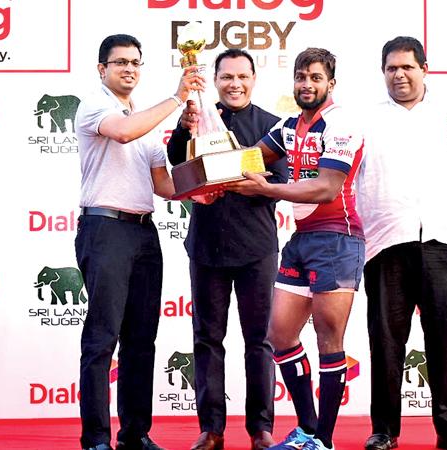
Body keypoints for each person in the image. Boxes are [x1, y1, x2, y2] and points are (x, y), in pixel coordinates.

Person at [226, 47, 365, 450]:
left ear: (330, 83)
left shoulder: (341, 123)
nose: (307, 85)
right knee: (281, 333)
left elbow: (325, 187)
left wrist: (268, 188)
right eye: (301, 77)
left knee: (328, 340)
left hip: (338, 237)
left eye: (316, 78)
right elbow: (249, 158)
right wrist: (206, 164)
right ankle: (307, 427)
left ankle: (324, 439)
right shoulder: (290, 126)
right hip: (302, 240)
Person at [358, 36, 447, 450]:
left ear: (425, 69)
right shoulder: (363, 120)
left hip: (444, 242)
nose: (399, 75)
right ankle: (384, 431)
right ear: (382, 73)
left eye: (407, 67)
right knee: (385, 341)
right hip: (385, 242)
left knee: (446, 340)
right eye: (391, 68)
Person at [74, 34, 202, 450]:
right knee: (102, 337)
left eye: (135, 62)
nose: (129, 69)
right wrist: (176, 98)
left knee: (141, 338)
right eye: (120, 62)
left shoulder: (142, 119)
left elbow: (164, 184)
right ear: (102, 69)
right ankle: (95, 438)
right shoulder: (96, 105)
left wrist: (203, 186)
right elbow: (124, 133)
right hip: (105, 228)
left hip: (144, 231)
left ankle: (134, 434)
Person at [166, 48, 285, 450]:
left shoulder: (273, 126)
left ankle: (261, 429)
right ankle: (211, 429)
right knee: (207, 338)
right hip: (206, 247)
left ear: (254, 79)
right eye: (226, 77)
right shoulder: (198, 119)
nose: (235, 84)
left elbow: (280, 182)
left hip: (257, 249)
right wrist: (185, 130)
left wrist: (240, 177)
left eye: (242, 76)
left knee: (260, 340)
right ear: (215, 80)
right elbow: (177, 169)